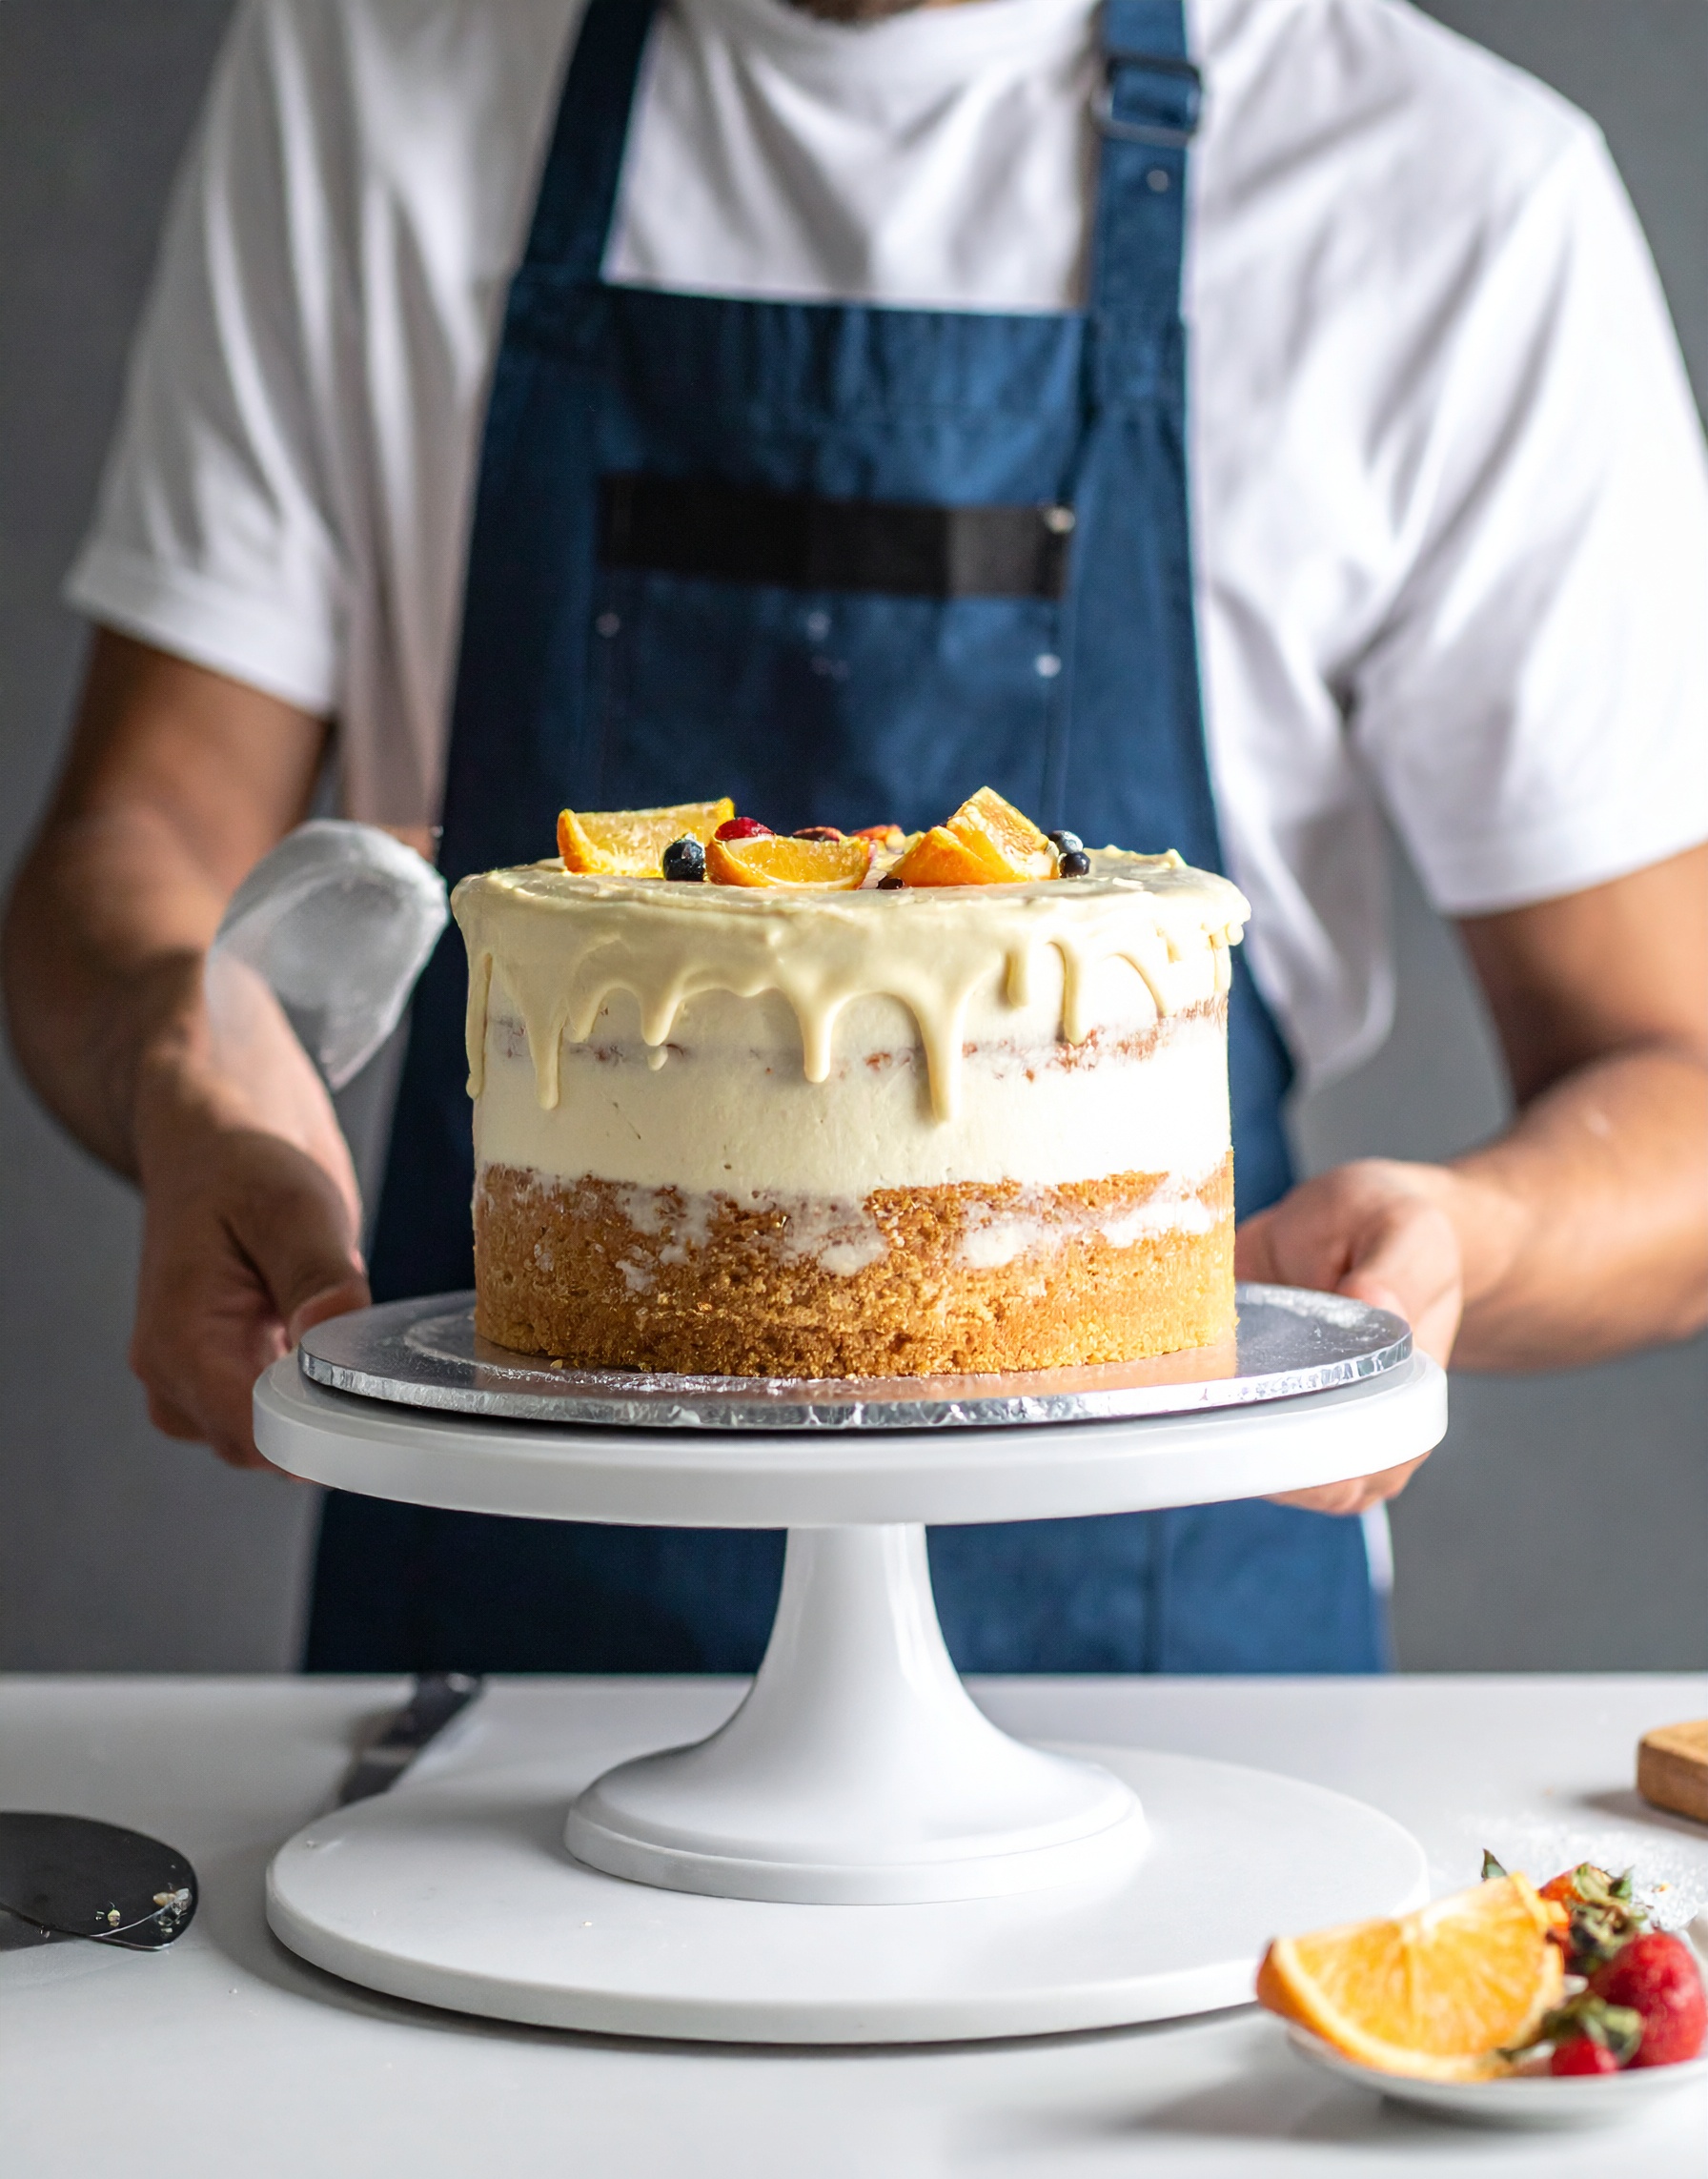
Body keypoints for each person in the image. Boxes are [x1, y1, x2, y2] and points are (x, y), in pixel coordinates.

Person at [5, 0, 1706, 1676]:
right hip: (495, 1665)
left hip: (1174, 1671)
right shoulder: (368, 68)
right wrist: (192, 1075)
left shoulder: (1449, 195)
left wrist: (1460, 1240)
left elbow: (1678, 1082)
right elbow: (137, 834)